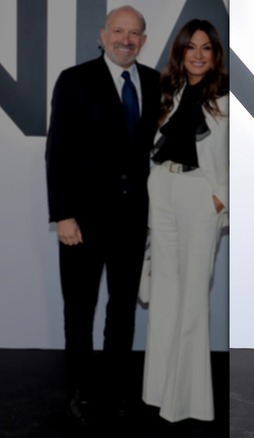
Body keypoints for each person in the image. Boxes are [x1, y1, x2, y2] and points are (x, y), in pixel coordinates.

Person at [45, 5, 160, 425]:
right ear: (102, 34)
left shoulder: (153, 82)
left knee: (123, 309)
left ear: (143, 40)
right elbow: (57, 152)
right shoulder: (74, 81)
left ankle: (114, 384)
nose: (126, 40)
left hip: (133, 222)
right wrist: (63, 215)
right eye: (119, 31)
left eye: (134, 33)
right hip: (83, 223)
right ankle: (81, 387)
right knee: (79, 309)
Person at [141, 19, 228, 423]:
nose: (197, 54)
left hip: (199, 197)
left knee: (193, 296)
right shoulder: (168, 92)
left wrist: (220, 198)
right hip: (162, 189)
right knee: (166, 294)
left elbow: (234, 160)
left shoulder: (226, 99)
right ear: (180, 51)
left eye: (205, 48)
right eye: (190, 47)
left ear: (215, 55)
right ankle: (159, 390)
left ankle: (188, 400)